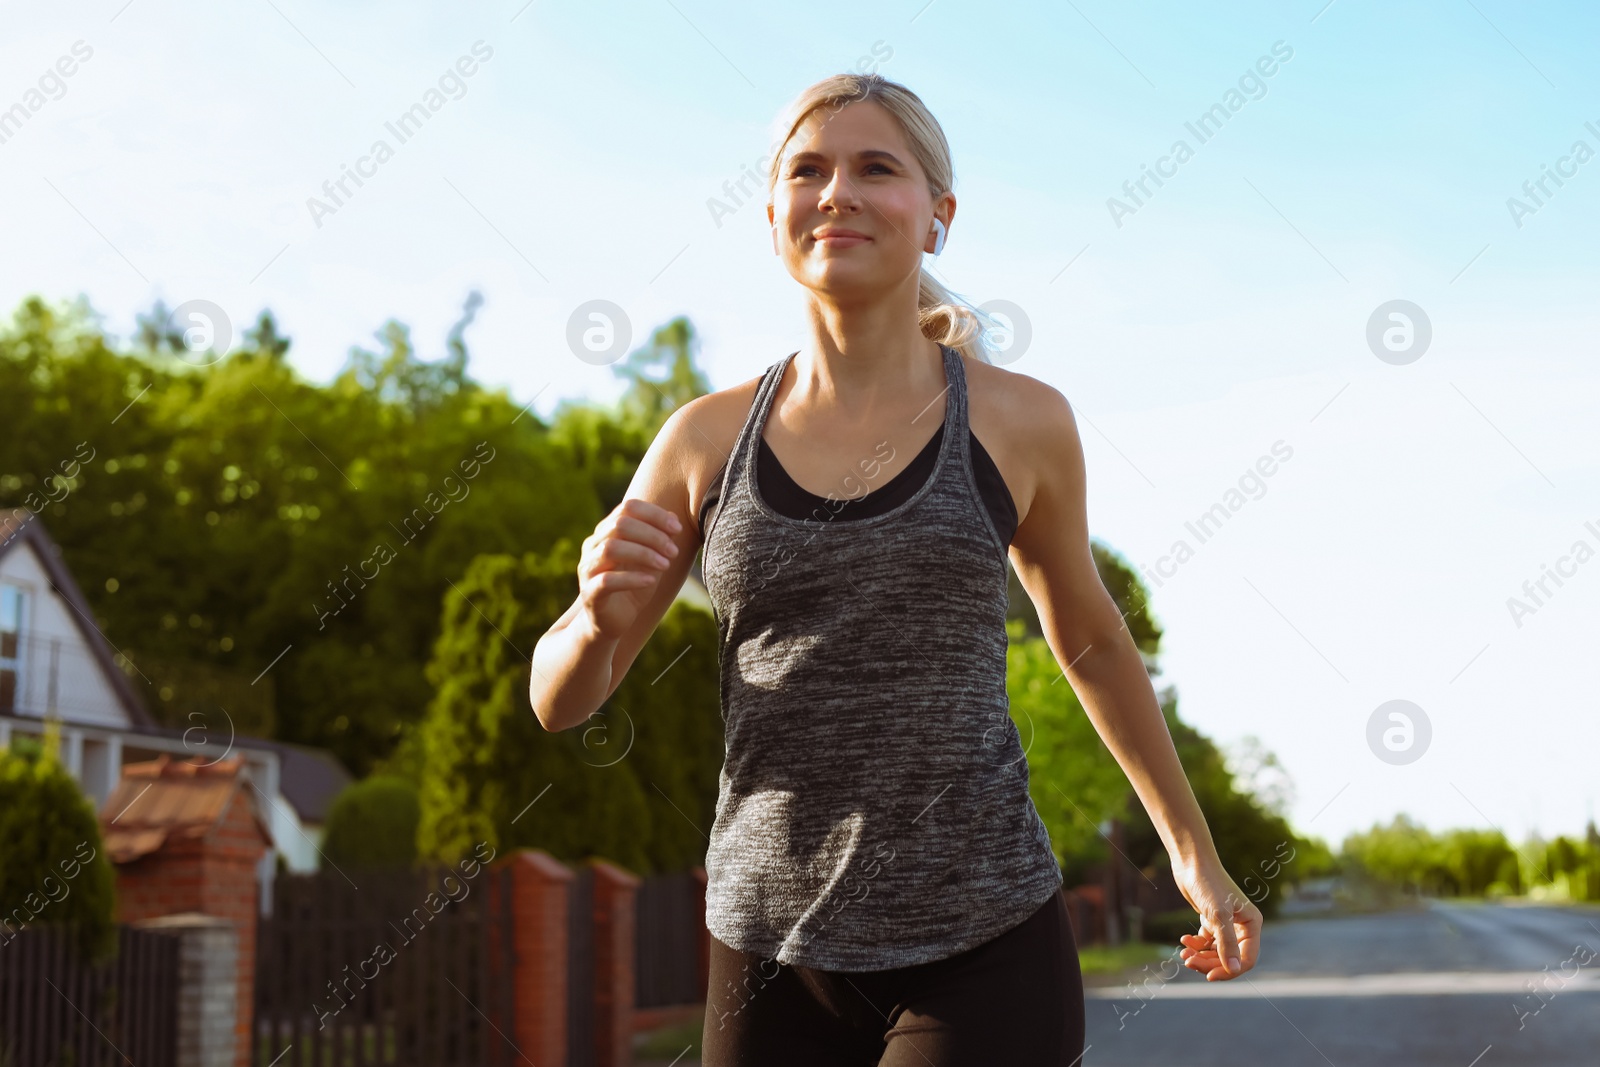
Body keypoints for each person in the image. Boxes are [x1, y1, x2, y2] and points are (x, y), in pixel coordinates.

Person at [530, 72, 1263, 1067]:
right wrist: (590, 615)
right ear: (775, 214)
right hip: (766, 945)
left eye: (877, 168)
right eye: (809, 171)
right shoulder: (701, 440)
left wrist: (1191, 851)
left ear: (936, 218)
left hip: (983, 933)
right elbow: (561, 700)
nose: (837, 193)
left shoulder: (1020, 421)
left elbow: (1087, 636)